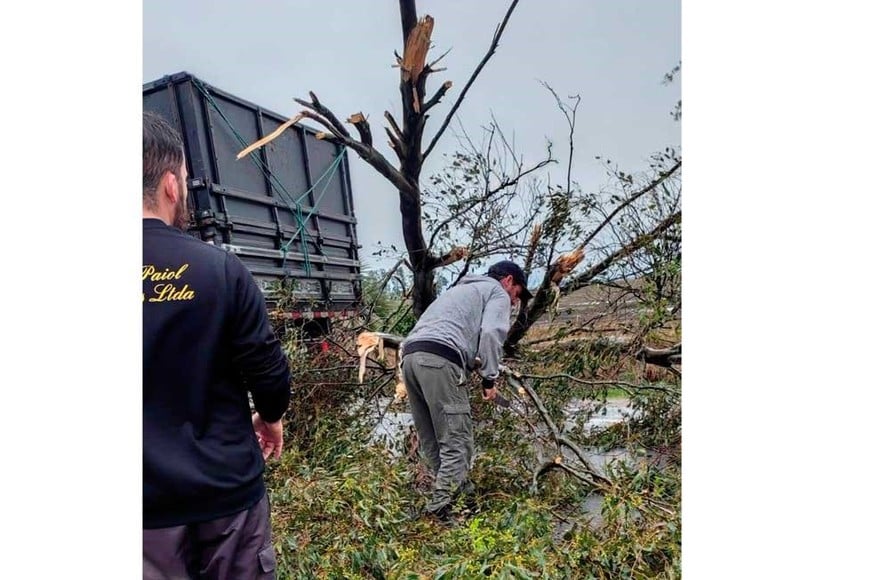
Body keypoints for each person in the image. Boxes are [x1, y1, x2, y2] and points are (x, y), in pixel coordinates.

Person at [142, 111, 292, 579]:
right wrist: (270, 419)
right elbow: (269, 376)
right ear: (172, 184)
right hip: (225, 498)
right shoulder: (221, 270)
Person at [400, 260, 533, 521]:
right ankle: (439, 510)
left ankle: (461, 497)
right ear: (508, 281)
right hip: (438, 361)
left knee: (433, 441)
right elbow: (493, 333)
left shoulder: (461, 290)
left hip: (411, 359)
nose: (515, 303)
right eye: (517, 294)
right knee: (457, 441)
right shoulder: (496, 292)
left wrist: (471, 361)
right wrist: (489, 380)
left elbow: (454, 334)